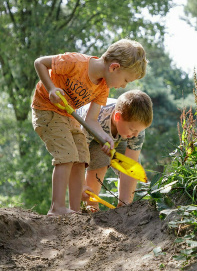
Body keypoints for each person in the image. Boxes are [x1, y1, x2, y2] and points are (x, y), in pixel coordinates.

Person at [31, 39, 147, 216]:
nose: (123, 86)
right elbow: (39, 62)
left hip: (68, 116)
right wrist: (51, 88)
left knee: (82, 156)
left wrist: (104, 137)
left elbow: (91, 120)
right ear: (114, 67)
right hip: (46, 109)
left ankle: (75, 209)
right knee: (67, 154)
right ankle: (57, 207)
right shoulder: (76, 62)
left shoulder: (102, 88)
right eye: (125, 80)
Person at [78, 89, 153, 211]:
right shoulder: (97, 117)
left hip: (119, 137)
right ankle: (91, 205)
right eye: (133, 130)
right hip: (88, 136)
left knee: (131, 166)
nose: (135, 134)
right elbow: (80, 154)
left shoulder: (136, 130)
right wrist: (80, 185)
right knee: (101, 159)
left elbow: (130, 166)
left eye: (139, 131)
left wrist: (125, 202)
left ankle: (124, 206)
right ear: (117, 116)